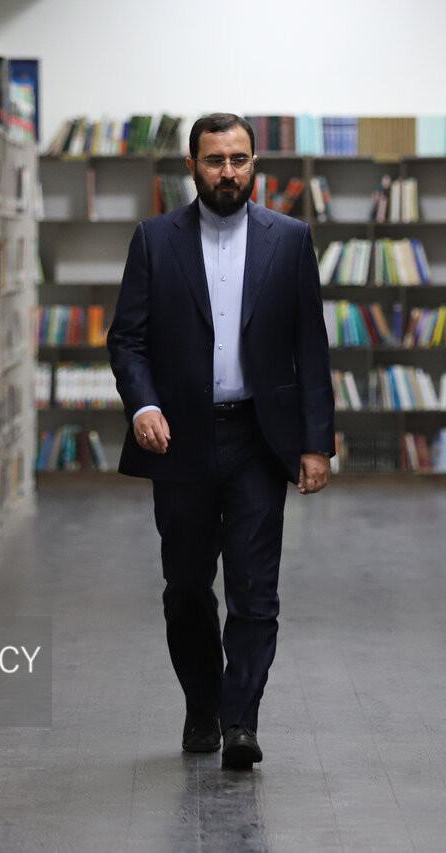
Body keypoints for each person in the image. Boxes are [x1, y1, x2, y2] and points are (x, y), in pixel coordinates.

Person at [107, 113, 335, 770]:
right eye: (215, 160)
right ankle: (203, 705)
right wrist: (143, 403)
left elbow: (310, 347)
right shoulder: (155, 240)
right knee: (185, 586)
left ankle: (241, 720)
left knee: (255, 587)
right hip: (179, 438)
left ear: (254, 164)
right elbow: (127, 339)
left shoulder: (290, 240)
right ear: (192, 167)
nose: (228, 172)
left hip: (259, 438)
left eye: (239, 159)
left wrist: (316, 443)